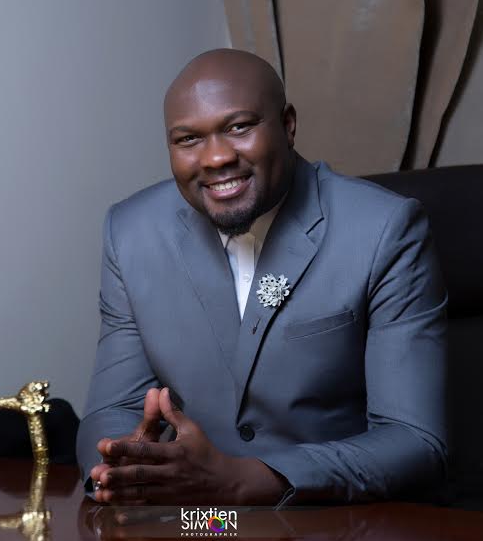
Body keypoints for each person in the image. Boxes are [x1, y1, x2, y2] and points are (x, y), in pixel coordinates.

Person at [77, 48, 447, 506]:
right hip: (202, 522)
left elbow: (415, 440)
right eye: (188, 139)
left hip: (328, 519)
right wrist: (125, 466)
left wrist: (244, 479)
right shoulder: (131, 232)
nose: (215, 158)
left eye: (239, 127)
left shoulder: (384, 229)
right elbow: (114, 408)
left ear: (288, 125)